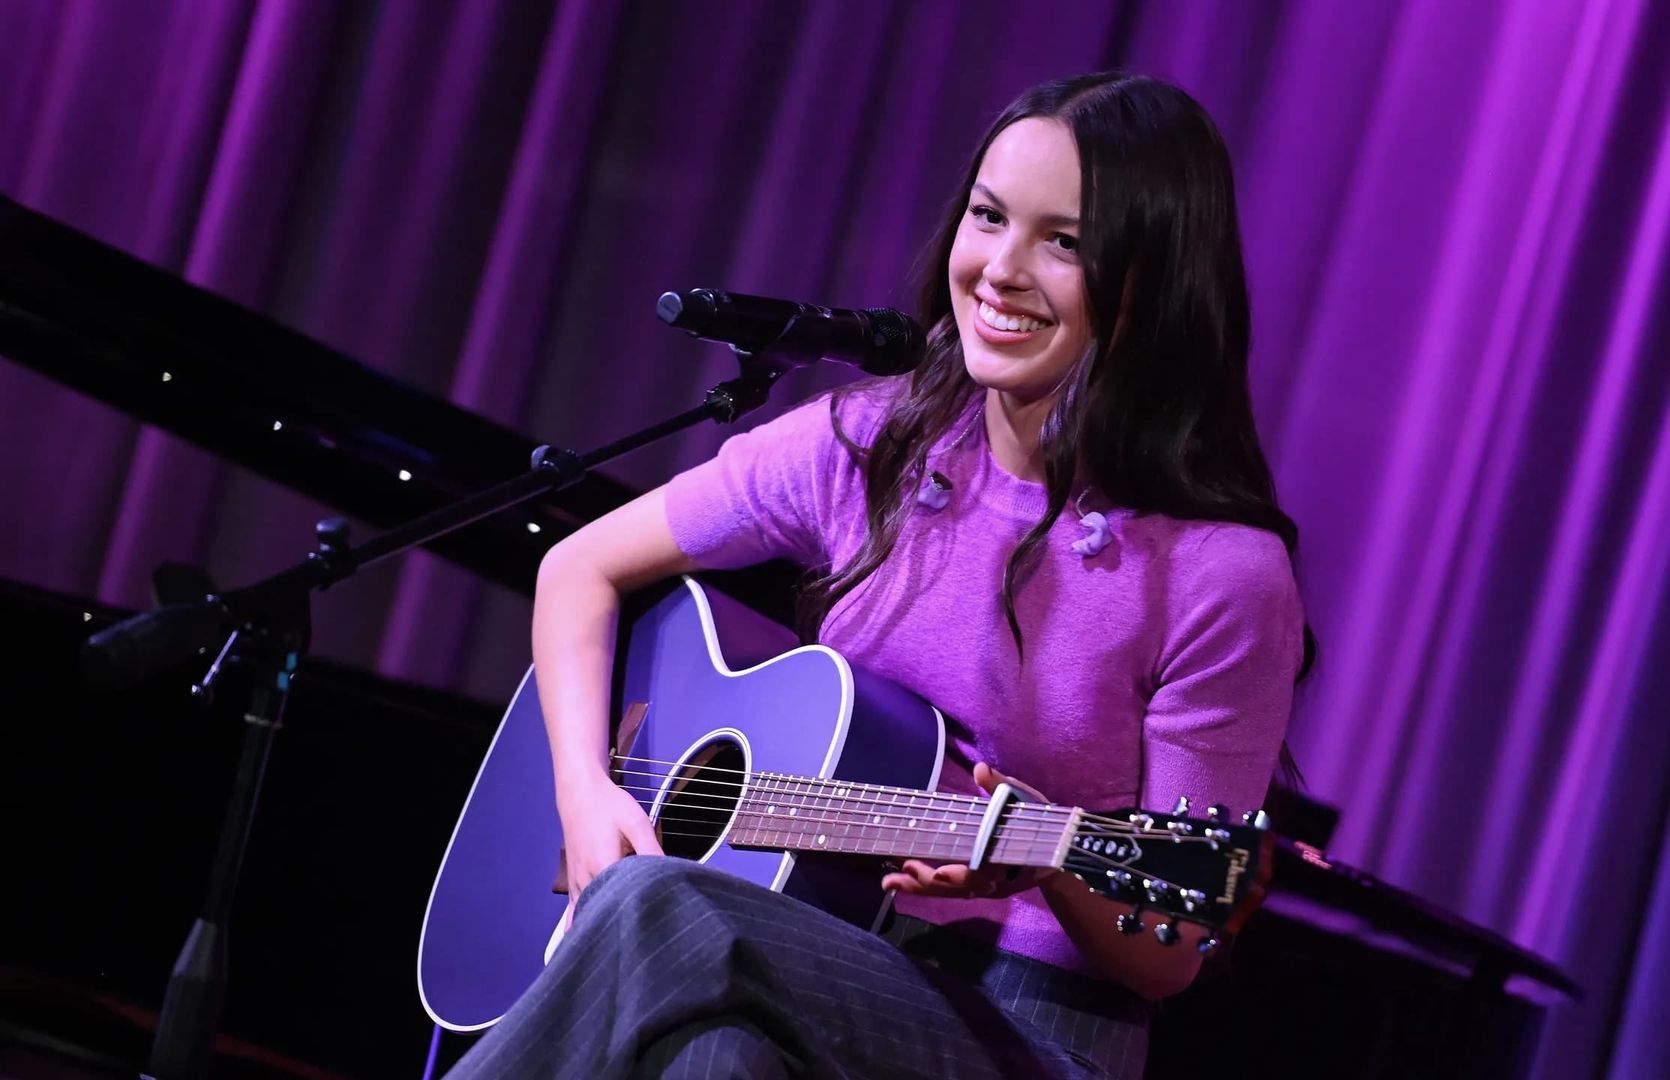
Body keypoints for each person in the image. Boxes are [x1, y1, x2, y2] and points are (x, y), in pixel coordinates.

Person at [447, 71, 1309, 1080]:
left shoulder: (1223, 576)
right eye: (988, 218)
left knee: (665, 908)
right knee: (715, 1057)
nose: (1001, 269)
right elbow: (579, 567)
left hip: (1031, 1032)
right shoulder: (874, 440)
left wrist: (1046, 857)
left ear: (1149, 282)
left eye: (1064, 242)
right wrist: (586, 791)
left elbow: (1166, 954)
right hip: (791, 952)